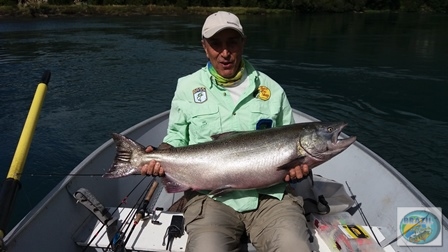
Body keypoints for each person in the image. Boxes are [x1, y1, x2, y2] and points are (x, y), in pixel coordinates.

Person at [142, 11, 311, 252]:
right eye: (216, 44)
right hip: (210, 199)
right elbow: (176, 139)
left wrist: (297, 170)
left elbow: (290, 141)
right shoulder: (186, 87)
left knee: (295, 247)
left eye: (232, 42)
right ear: (204, 46)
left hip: (270, 198)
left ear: (243, 43)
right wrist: (157, 159)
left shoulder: (272, 90)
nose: (225, 52)